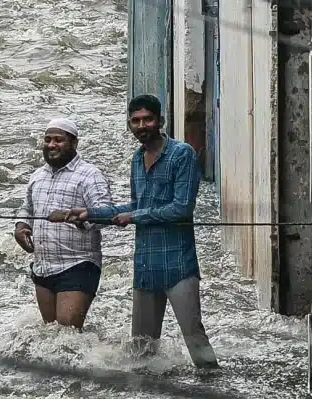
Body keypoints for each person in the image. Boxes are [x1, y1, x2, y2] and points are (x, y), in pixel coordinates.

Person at [53, 94, 216, 368]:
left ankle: (213, 388)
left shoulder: (182, 154)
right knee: (141, 351)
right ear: (129, 125)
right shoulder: (137, 159)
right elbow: (135, 205)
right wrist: (90, 213)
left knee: (195, 340)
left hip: (178, 265)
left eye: (148, 119)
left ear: (160, 121)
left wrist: (135, 216)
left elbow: (182, 208)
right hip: (145, 266)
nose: (142, 126)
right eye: (136, 121)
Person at [13, 117, 112, 328]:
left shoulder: (90, 175)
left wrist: (79, 218)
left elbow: (107, 214)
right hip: (43, 267)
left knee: (67, 332)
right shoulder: (37, 176)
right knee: (51, 333)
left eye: (58, 140)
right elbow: (26, 208)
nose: (51, 145)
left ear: (74, 143)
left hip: (78, 264)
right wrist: (21, 226)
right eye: (48, 139)